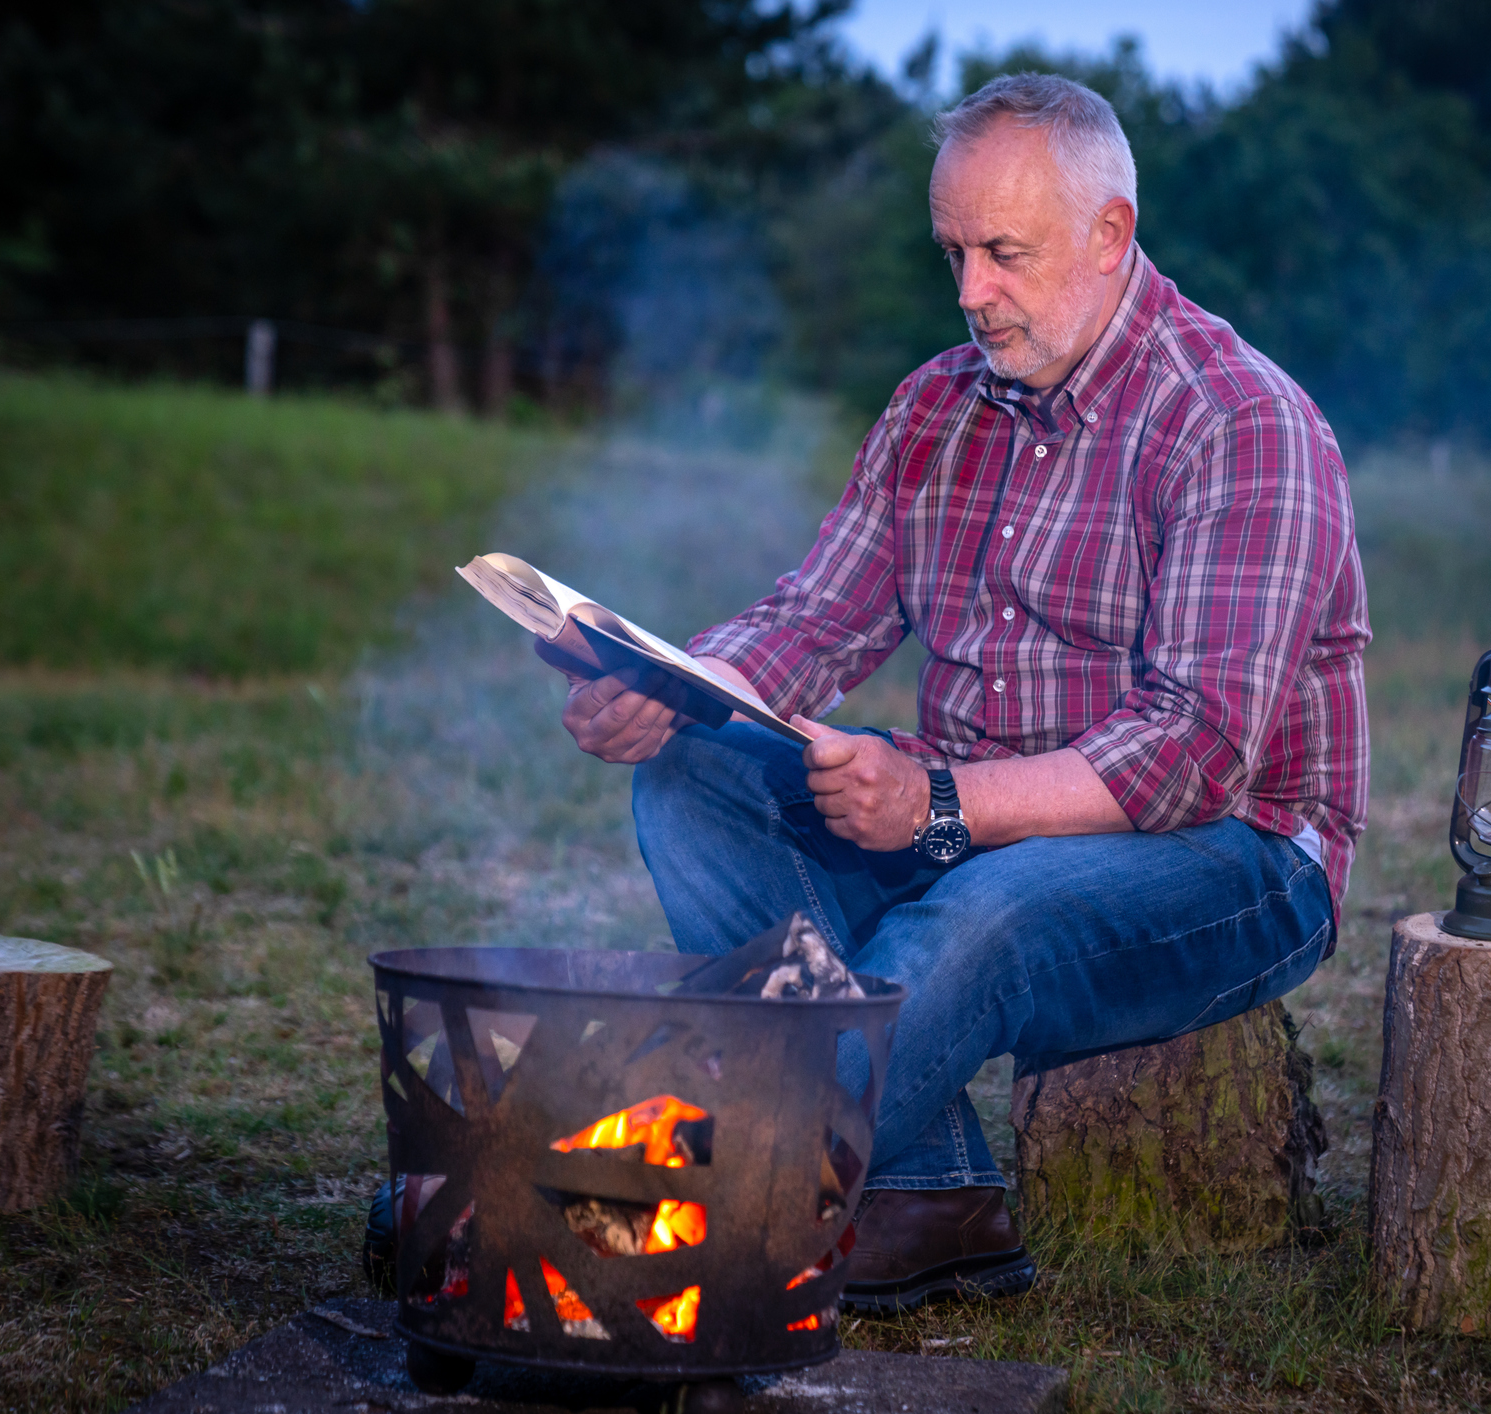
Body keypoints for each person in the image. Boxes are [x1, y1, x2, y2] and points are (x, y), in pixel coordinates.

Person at [561, 73, 1369, 1313]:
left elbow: (1196, 753)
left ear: (1109, 236)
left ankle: (706, 1196)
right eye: (952, 251)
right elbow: (819, 612)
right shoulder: (940, 404)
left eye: (1003, 253)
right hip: (977, 812)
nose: (969, 293)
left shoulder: (1238, 420)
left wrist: (939, 803)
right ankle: (923, 1190)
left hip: (1235, 854)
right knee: (700, 776)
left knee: (984, 907)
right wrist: (671, 684)